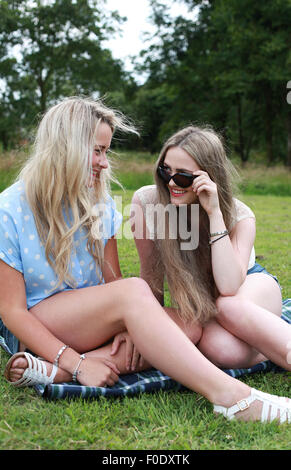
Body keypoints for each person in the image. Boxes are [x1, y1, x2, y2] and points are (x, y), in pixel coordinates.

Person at [0, 100, 290, 424]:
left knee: (188, 324)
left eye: (106, 152)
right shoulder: (10, 209)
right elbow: (12, 311)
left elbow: (113, 281)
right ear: (65, 148)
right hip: (41, 321)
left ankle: (56, 372)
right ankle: (231, 396)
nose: (104, 163)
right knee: (136, 295)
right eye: (97, 151)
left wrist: (131, 326)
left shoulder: (98, 200)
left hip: (89, 322)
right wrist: (81, 360)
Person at [131, 125, 291, 383]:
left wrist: (215, 214)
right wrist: (149, 330)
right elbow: (150, 279)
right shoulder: (147, 203)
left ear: (209, 176)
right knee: (219, 349)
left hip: (248, 287)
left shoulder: (240, 215)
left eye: (183, 177)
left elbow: (229, 286)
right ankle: (271, 344)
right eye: (165, 171)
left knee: (228, 306)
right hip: (207, 309)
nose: (171, 183)